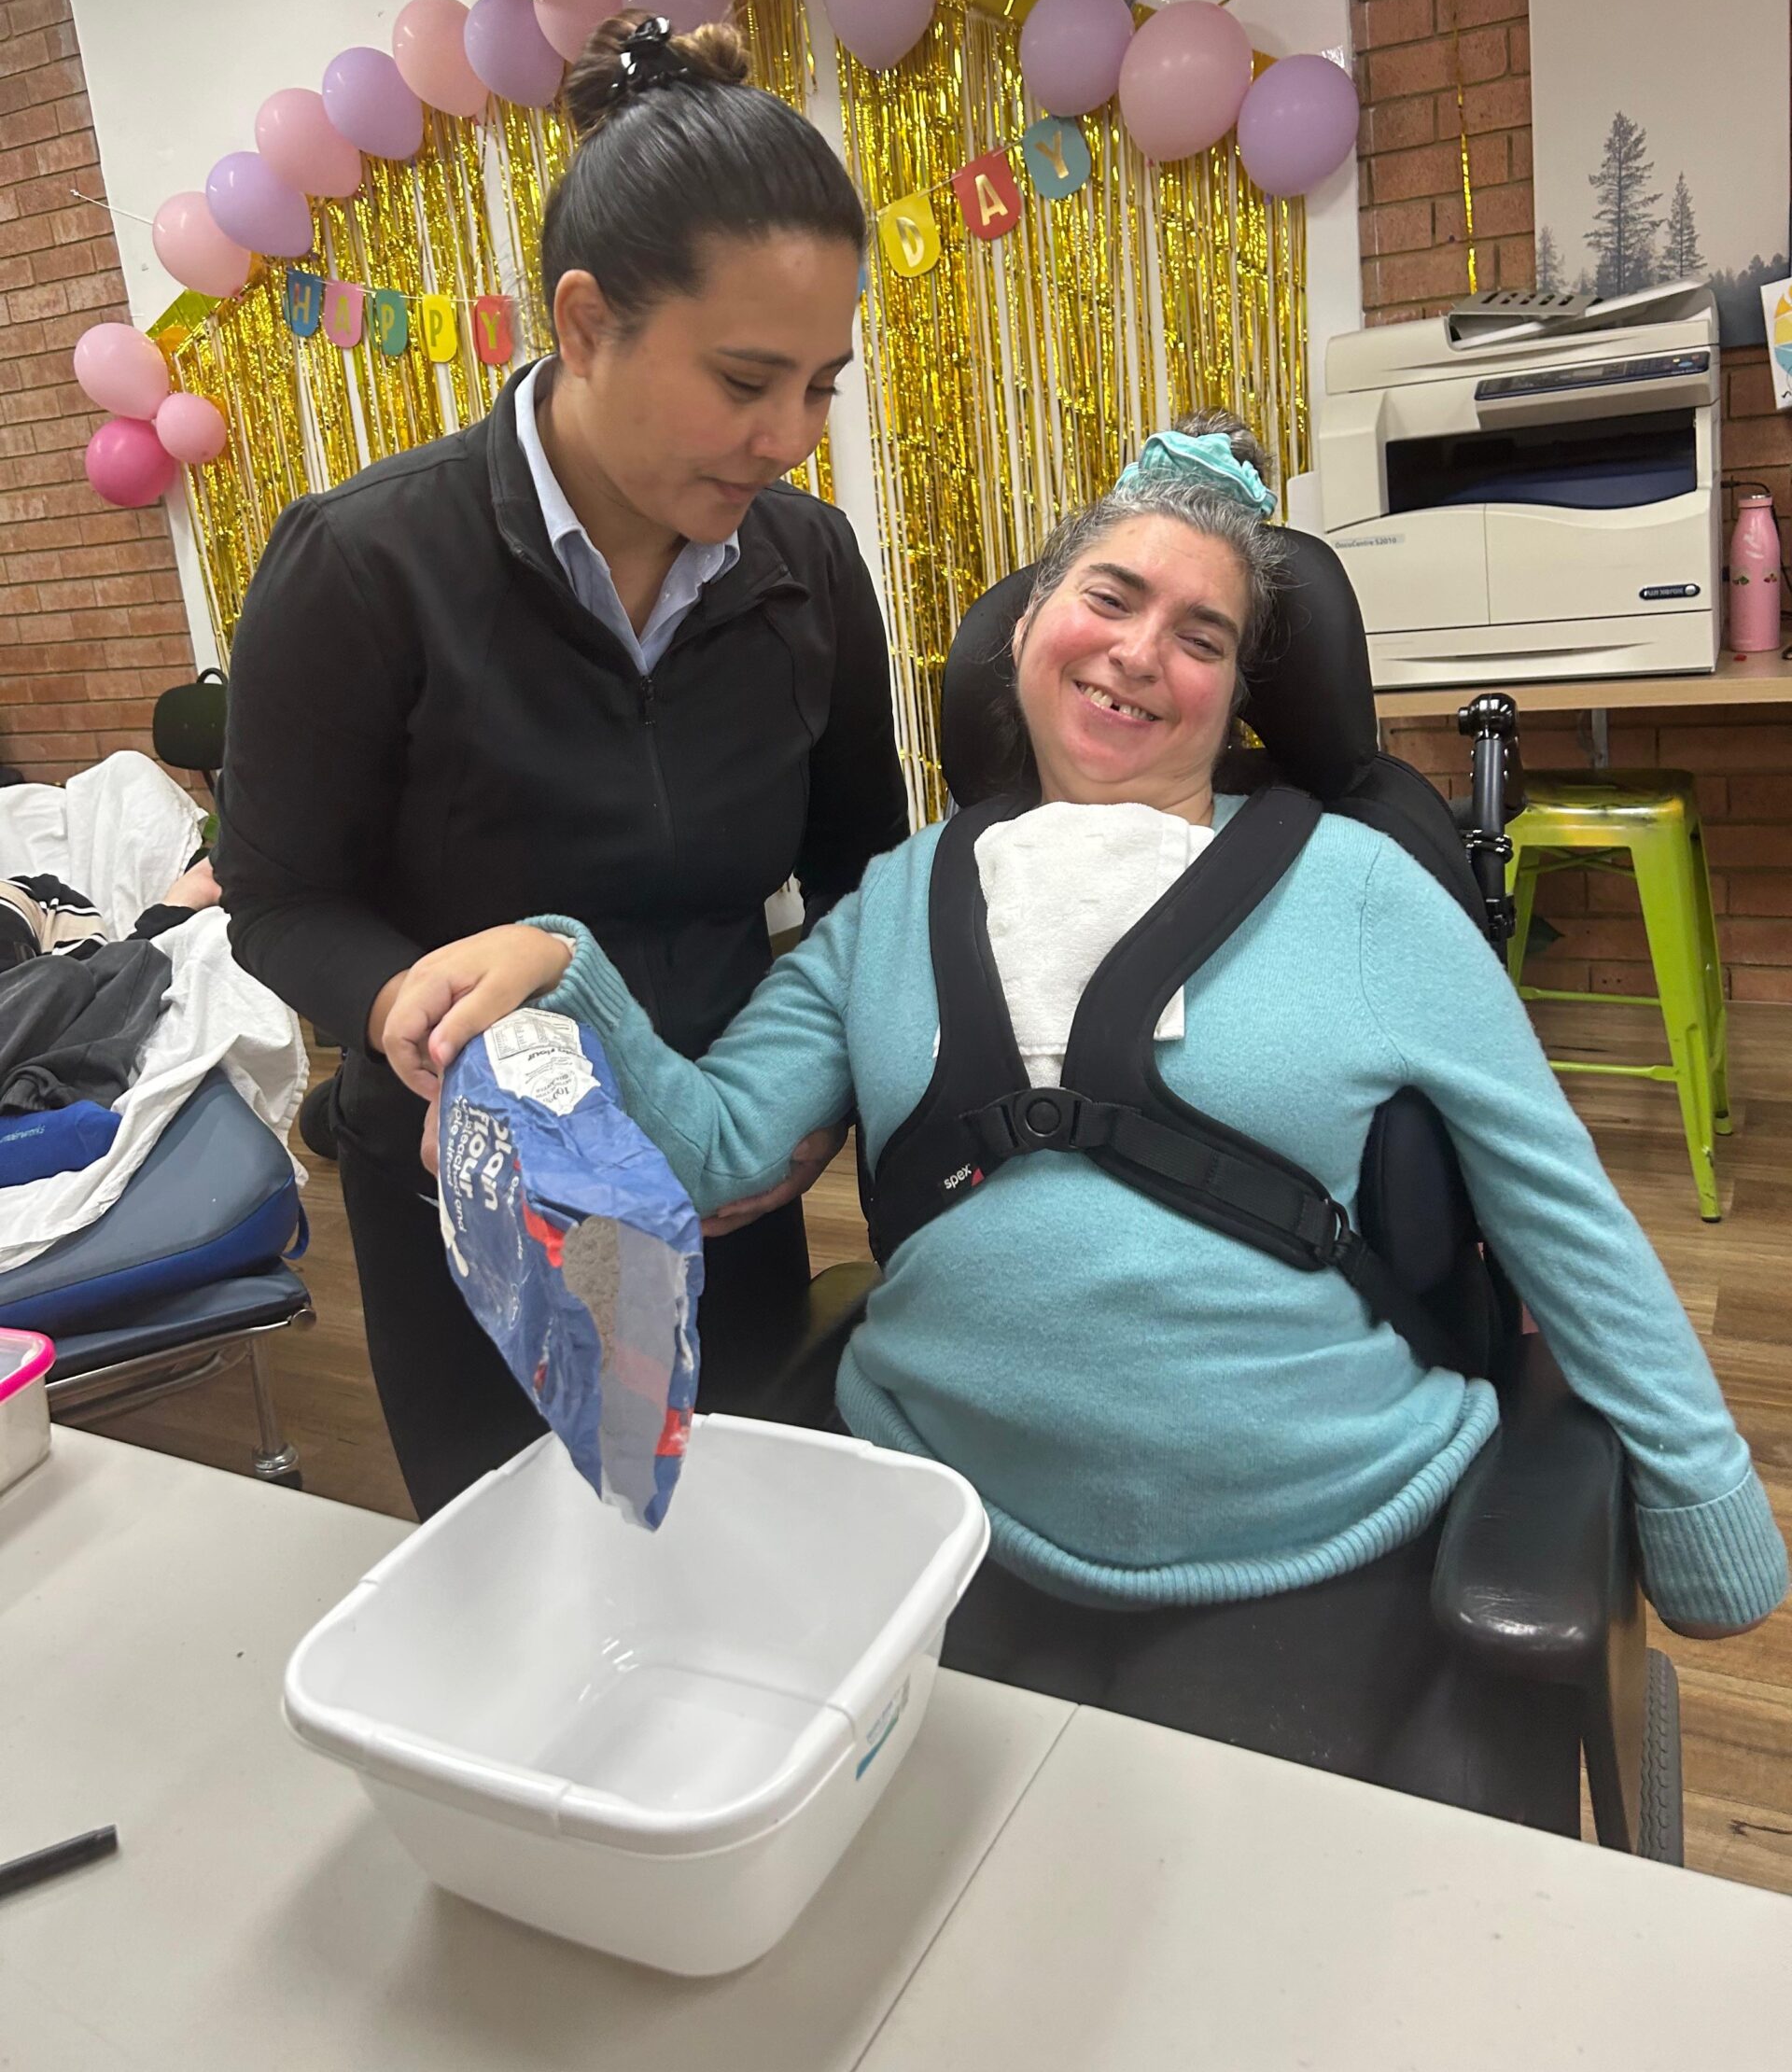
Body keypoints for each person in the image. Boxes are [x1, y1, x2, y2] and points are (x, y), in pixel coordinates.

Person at [379, 415, 1786, 1803]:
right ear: (1029, 624)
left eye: (1201, 635)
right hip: (934, 1518)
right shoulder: (895, 901)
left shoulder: (1362, 892)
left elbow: (1568, 1224)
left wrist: (1705, 1507)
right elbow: (717, 1153)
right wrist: (566, 974)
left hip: (1306, 1533)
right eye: (1109, 596)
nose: (1138, 651)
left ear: (1237, 699)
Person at [217, 12, 908, 1519]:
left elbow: (868, 877)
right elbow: (274, 898)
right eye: (745, 381)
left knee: (736, 1570)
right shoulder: (367, 568)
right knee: (533, 1603)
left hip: (732, 1185)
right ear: (586, 322)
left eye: (823, 386)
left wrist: (811, 1100)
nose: (789, 436)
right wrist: (402, 999)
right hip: (479, 1211)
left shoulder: (803, 567)